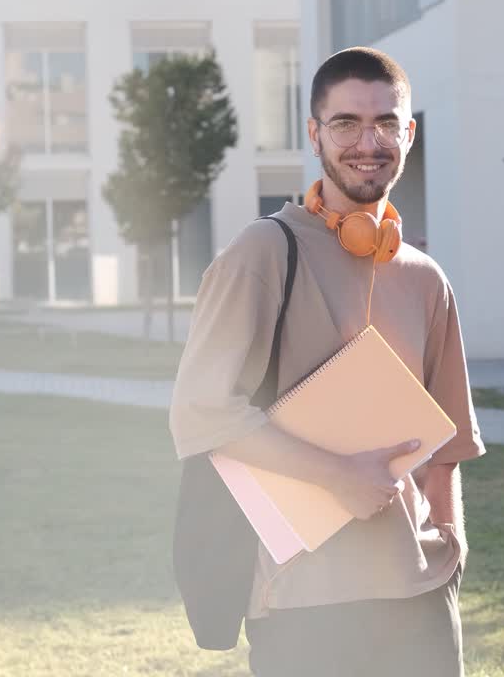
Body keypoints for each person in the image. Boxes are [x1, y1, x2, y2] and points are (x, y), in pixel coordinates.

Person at [169, 46, 484, 677]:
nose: (368, 142)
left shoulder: (426, 278)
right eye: (345, 123)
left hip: (419, 593)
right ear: (314, 134)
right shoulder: (261, 253)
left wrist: (449, 542)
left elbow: (448, 439)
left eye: (386, 123)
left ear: (409, 132)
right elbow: (200, 414)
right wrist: (337, 475)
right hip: (301, 601)